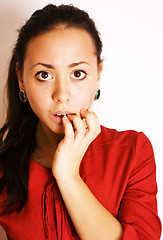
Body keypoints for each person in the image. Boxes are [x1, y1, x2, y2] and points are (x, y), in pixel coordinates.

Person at [0, 4, 161, 240]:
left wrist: (67, 176)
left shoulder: (133, 151)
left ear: (98, 74)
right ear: (21, 78)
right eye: (44, 75)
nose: (62, 95)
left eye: (77, 74)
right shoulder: (5, 168)